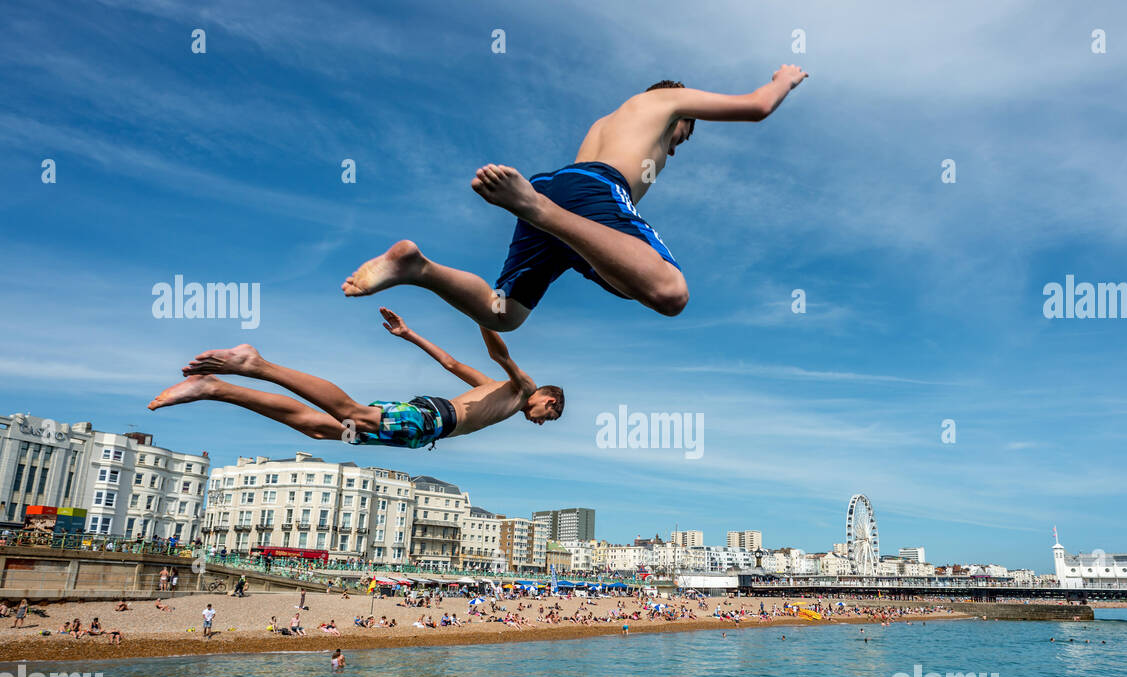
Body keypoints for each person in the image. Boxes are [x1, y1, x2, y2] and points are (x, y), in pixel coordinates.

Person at [340, 67, 809, 329]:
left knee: (505, 314)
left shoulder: (603, 123)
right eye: (682, 136)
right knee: (671, 292)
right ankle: (534, 209)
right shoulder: (665, 101)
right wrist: (784, 78)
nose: (676, 146)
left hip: (559, 189)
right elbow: (758, 106)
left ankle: (418, 267)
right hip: (586, 191)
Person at [148, 311, 563, 449]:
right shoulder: (522, 387)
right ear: (544, 396)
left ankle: (215, 388)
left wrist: (409, 334)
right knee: (352, 414)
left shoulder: (498, 392)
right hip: (430, 420)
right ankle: (257, 365)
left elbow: (453, 364)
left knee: (317, 429)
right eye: (551, 412)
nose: (544, 420)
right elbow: (500, 353)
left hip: (421, 433)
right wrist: (483, 315)